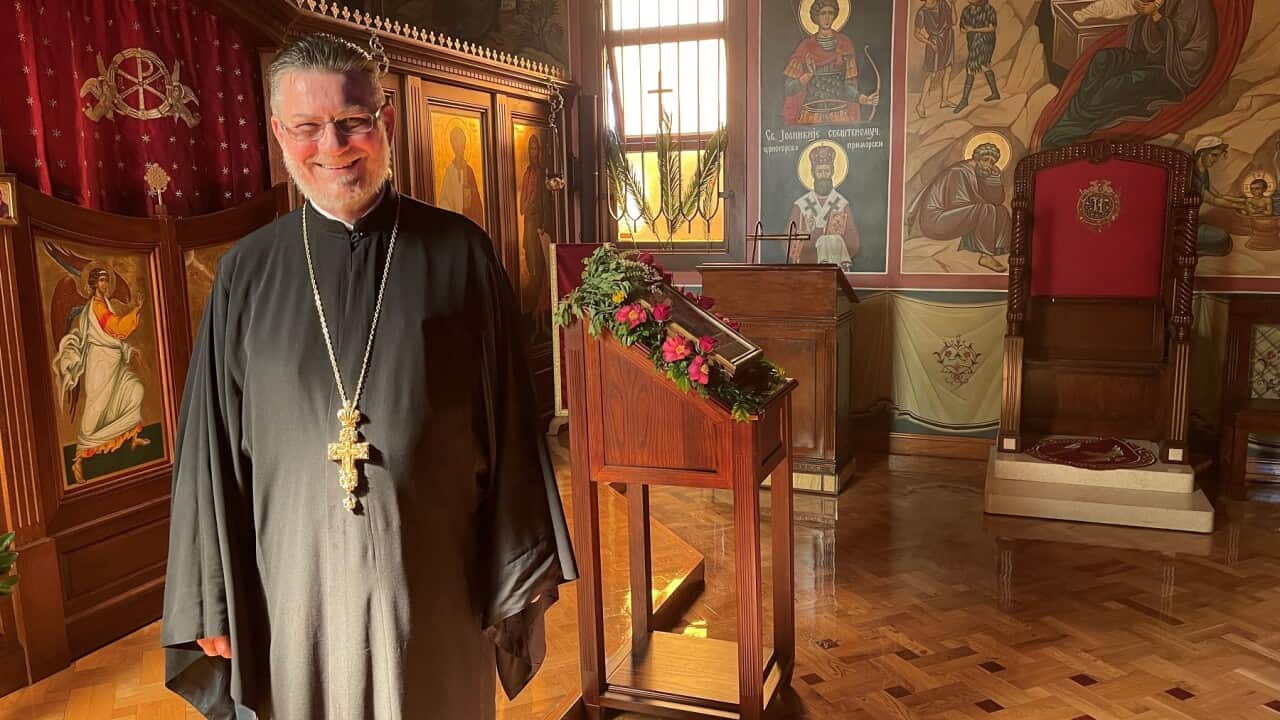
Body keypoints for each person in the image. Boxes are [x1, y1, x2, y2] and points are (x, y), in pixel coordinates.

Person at [161, 33, 576, 720]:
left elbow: (511, 424)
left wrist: (518, 571)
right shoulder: (245, 274)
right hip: (291, 596)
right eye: (308, 127)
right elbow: (207, 454)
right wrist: (209, 595)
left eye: (353, 120)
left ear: (384, 120)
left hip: (437, 587)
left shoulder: (460, 254)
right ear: (278, 133)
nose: (334, 145)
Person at [51, 264, 149, 484]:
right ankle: (78, 459)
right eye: (101, 280)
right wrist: (135, 311)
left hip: (113, 361)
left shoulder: (104, 303)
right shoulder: (95, 306)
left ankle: (133, 436)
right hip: (100, 366)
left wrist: (128, 349)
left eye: (107, 280)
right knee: (96, 411)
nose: (105, 284)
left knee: (135, 390)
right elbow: (114, 328)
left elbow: (110, 339)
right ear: (94, 283)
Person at [906, 141, 1011, 272]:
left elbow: (997, 201)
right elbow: (958, 203)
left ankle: (998, 249)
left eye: (992, 162)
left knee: (1001, 210)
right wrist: (983, 203)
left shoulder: (979, 174)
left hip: (952, 218)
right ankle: (986, 256)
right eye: (985, 160)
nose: (988, 165)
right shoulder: (959, 172)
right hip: (936, 220)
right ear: (976, 159)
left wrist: (994, 179)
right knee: (986, 209)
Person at [782, 0, 879, 125]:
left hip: (838, 115)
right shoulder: (805, 47)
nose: (827, 17)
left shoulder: (845, 45)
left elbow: (848, 87)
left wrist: (864, 99)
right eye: (823, 13)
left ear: (835, 16)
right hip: (811, 116)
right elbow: (789, 89)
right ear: (816, 17)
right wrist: (807, 76)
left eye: (830, 13)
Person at [787, 144, 859, 269]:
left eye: (827, 171)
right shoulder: (801, 205)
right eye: (820, 171)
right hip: (808, 266)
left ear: (832, 173)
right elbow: (787, 242)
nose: (823, 175)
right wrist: (809, 236)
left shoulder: (842, 204)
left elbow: (854, 242)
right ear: (813, 174)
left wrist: (835, 241)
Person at [953, 0, 999, 113]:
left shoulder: (988, 9)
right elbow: (963, 29)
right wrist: (969, 30)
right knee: (984, 66)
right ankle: (995, 93)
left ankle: (964, 100)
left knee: (970, 68)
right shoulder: (966, 10)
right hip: (972, 41)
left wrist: (973, 29)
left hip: (985, 42)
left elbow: (992, 28)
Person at [437, 123, 487, 227]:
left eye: (460, 144)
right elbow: (443, 200)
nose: (459, 148)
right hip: (455, 224)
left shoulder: (469, 171)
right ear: (452, 147)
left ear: (464, 145)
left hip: (468, 222)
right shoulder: (449, 172)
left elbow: (477, 204)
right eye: (455, 143)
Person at [914, 0, 956, 117]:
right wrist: (930, 43)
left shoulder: (942, 3)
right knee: (931, 74)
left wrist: (953, 5)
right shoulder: (922, 12)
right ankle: (920, 104)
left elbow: (953, 22)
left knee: (948, 69)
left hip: (948, 39)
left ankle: (944, 100)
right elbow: (916, 33)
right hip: (934, 43)